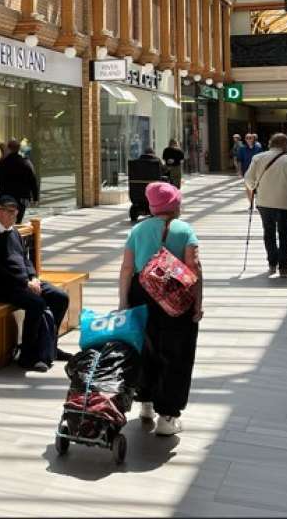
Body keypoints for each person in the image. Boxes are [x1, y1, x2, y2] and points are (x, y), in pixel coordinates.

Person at [118, 182, 203, 437]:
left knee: (145, 348)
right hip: (175, 297)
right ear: (175, 205)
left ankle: (145, 403)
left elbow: (127, 268)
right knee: (177, 353)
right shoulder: (184, 230)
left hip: (141, 293)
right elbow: (195, 267)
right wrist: (198, 303)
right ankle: (167, 416)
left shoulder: (137, 230)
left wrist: (123, 302)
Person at [0, 195, 70, 371]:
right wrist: (25, 283)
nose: (14, 216)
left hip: (24, 282)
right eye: (10, 212)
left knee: (60, 297)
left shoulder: (14, 232)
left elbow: (25, 260)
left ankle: (50, 346)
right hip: (2, 286)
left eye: (15, 212)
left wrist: (33, 277)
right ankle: (28, 355)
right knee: (37, 304)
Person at [244, 132, 287, 279]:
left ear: (271, 143)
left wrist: (254, 187)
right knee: (285, 234)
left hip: (264, 203)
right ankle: (283, 266)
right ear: (285, 145)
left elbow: (248, 179)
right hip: (285, 204)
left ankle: (272, 262)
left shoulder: (257, 158)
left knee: (269, 233)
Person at [0, 139, 40, 222]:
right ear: (19, 149)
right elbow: (33, 182)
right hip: (22, 199)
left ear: (8, 149)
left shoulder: (2, 163)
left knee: (5, 222)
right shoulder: (26, 163)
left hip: (5, 197)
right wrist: (35, 198)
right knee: (18, 221)